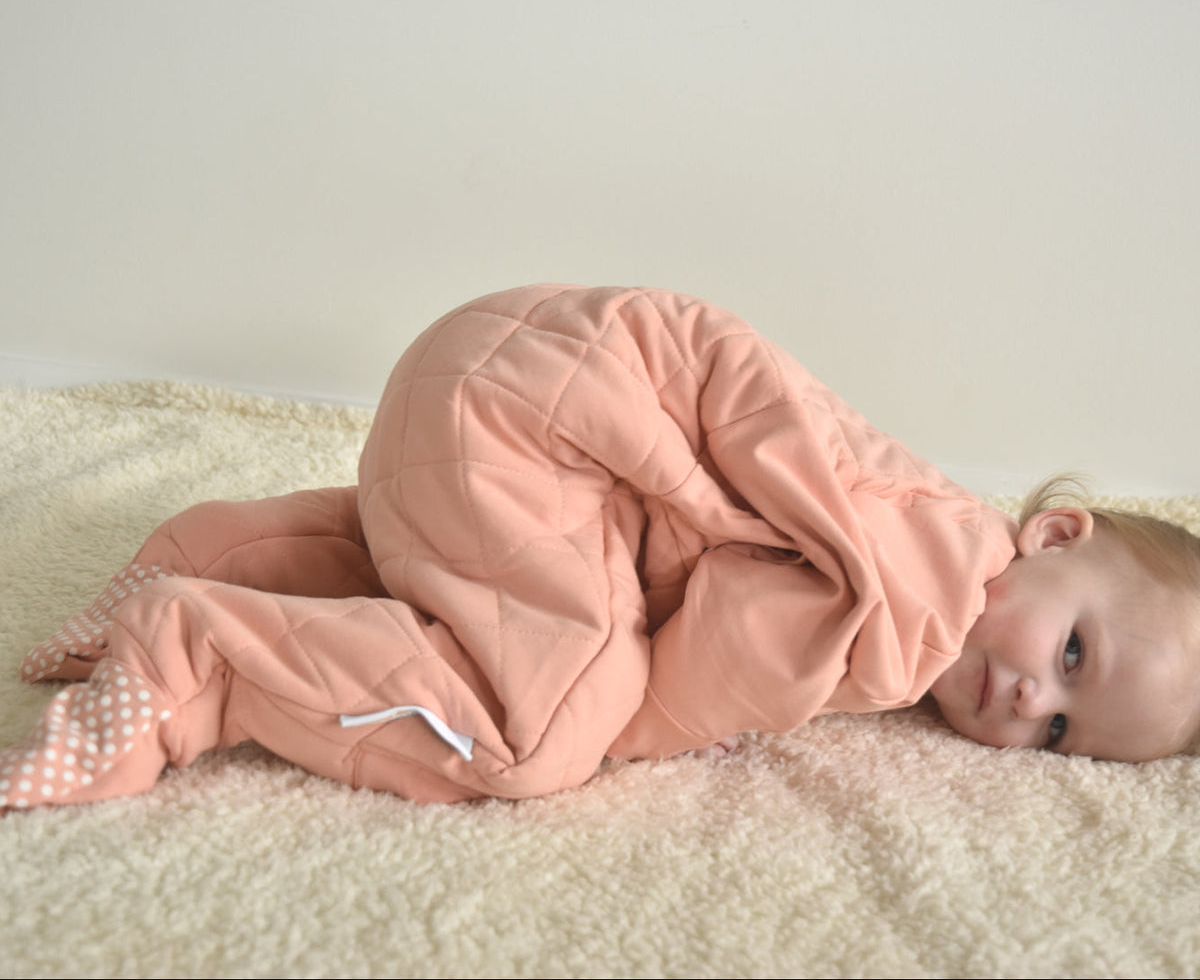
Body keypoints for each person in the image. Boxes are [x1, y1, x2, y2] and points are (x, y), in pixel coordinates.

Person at [2, 285, 1198, 812]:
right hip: (556, 426)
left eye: (1058, 734)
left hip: (496, 378)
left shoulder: (917, 510)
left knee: (480, 588)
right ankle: (200, 653)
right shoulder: (920, 607)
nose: (1028, 699)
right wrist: (655, 724)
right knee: (539, 730)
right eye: (1076, 655)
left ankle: (217, 558)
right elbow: (715, 655)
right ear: (1049, 535)